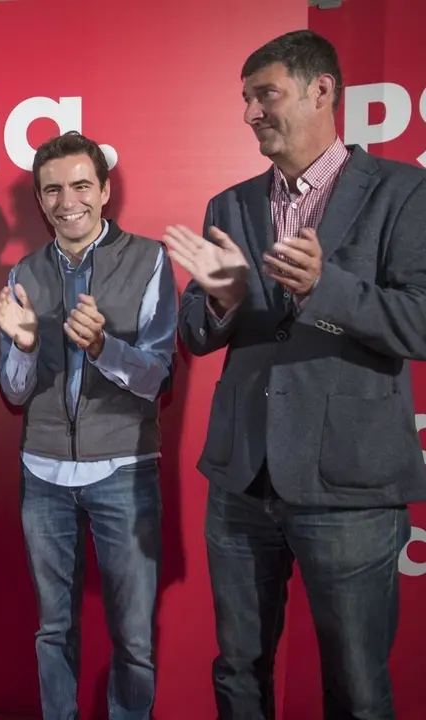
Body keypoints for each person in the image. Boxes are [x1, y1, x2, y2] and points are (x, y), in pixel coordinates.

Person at [163, 29, 426, 720]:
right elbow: (194, 334)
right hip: (242, 480)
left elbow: (421, 322)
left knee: (358, 688)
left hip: (350, 484)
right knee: (237, 669)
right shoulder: (230, 204)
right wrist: (221, 299)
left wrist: (324, 288)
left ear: (321, 91)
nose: (250, 113)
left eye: (265, 95)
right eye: (245, 99)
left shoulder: (405, 192)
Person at [0, 130, 177, 720]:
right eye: (52, 190)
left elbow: (158, 376)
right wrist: (25, 345)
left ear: (104, 191)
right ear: (39, 200)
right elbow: (13, 393)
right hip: (43, 473)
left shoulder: (149, 259)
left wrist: (103, 348)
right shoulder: (23, 272)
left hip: (124, 470)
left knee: (134, 638)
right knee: (52, 630)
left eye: (80, 186)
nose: (66, 201)